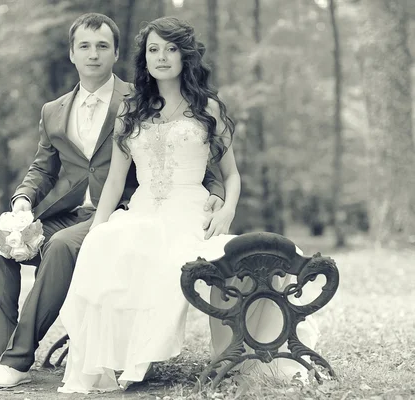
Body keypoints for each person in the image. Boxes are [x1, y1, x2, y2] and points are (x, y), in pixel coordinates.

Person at [0, 13, 228, 388]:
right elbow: (42, 168)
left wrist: (217, 199)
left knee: (60, 247)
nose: (93, 54)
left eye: (102, 46)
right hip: (72, 211)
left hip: (123, 214)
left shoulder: (144, 98)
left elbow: (200, 163)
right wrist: (23, 201)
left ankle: (17, 360)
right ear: (72, 54)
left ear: (116, 54)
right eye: (84, 46)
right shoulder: (54, 110)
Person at [57, 16, 318, 394]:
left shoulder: (208, 108)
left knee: (203, 259)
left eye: (171, 48)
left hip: (191, 212)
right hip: (142, 210)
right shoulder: (130, 111)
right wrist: (100, 222)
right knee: (105, 245)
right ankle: (117, 359)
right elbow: (116, 180)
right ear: (144, 59)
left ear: (185, 55)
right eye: (153, 50)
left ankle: (237, 354)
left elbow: (231, 175)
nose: (162, 57)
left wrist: (226, 210)